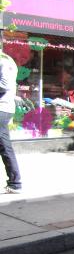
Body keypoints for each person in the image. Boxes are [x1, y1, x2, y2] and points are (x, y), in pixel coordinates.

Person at [0, 49, 22, 193]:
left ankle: (15, 183)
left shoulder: (4, 60)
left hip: (2, 108)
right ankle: (15, 182)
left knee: (4, 144)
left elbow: (5, 84)